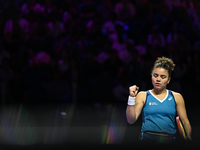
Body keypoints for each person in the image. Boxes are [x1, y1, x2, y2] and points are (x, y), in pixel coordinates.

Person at [126, 56, 192, 144]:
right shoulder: (143, 95)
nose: (158, 79)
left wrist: (189, 138)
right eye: (155, 75)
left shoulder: (176, 96)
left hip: (169, 141)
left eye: (163, 77)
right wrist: (131, 97)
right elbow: (131, 120)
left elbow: (185, 121)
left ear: (168, 80)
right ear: (151, 76)